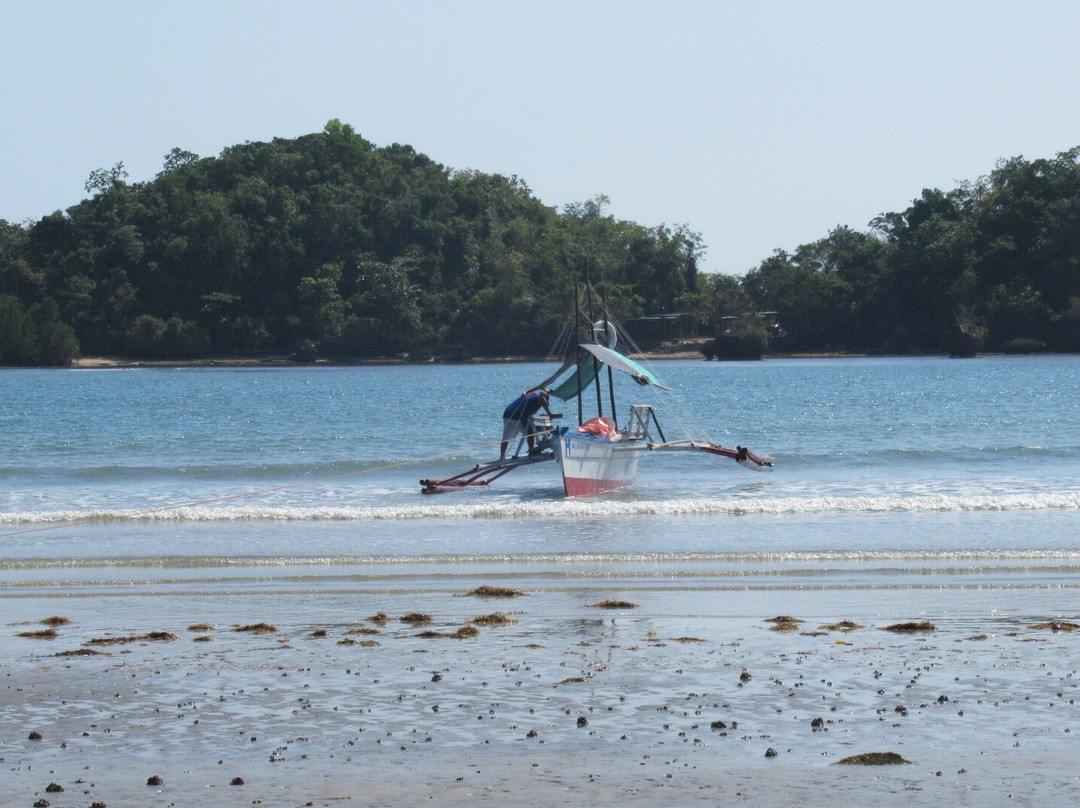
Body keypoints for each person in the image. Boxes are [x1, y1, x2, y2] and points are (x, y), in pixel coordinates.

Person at [500, 389, 552, 459]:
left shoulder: (531, 394)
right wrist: (548, 412)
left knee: (506, 437)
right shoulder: (538, 397)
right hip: (518, 416)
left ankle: (502, 456)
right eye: (547, 400)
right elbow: (542, 398)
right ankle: (532, 450)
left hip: (507, 414)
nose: (547, 402)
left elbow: (534, 391)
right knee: (530, 432)